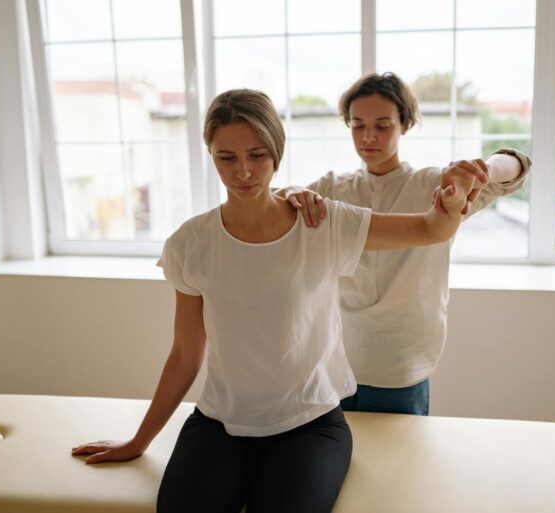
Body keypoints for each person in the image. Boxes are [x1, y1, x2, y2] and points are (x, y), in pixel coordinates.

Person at [71, 88, 483, 513]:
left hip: (311, 425)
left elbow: (430, 230)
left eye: (258, 155)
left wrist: (450, 205)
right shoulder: (190, 244)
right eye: (226, 158)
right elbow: (185, 354)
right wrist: (140, 440)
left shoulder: (319, 222)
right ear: (210, 154)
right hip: (219, 424)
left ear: (277, 151)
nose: (243, 172)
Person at [281, 72, 531, 416]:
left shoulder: (438, 185)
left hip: (401, 363)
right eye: (358, 125)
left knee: (399, 464)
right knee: (340, 461)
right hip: (337, 359)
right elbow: (277, 202)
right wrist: (293, 193)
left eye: (383, 125)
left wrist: (480, 170)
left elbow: (518, 164)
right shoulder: (333, 188)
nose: (368, 137)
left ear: (405, 125)